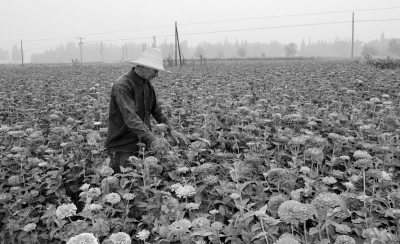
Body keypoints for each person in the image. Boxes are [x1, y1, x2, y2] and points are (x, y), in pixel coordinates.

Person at [105, 48, 188, 173]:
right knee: (127, 181)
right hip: (125, 144)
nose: (156, 74)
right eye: (155, 70)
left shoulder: (147, 84)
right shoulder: (123, 85)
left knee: (143, 180)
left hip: (143, 142)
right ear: (144, 66)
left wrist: (171, 130)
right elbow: (131, 117)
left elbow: (157, 110)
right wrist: (153, 139)